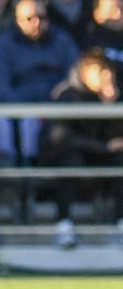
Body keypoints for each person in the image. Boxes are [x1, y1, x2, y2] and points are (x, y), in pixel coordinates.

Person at [39, 50, 123, 248]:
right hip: (69, 157)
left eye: (108, 70)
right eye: (100, 71)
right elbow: (61, 137)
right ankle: (64, 225)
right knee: (70, 161)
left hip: (102, 157)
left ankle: (121, 222)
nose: (106, 76)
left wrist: (111, 104)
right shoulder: (67, 94)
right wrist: (103, 147)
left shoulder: (114, 95)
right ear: (84, 72)